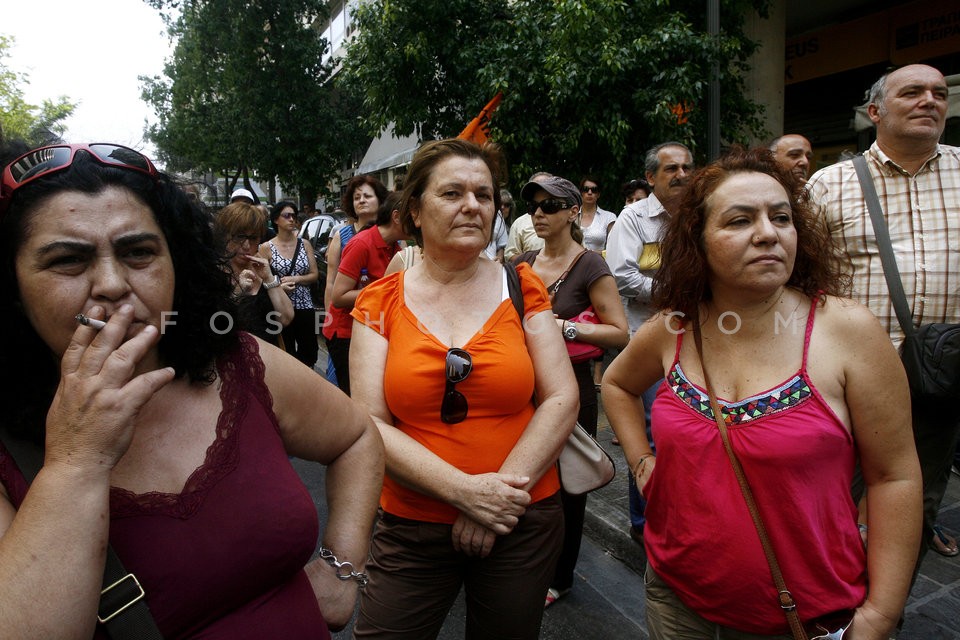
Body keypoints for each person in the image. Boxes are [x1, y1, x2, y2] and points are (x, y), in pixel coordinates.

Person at [0, 141, 384, 638]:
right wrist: (76, 462)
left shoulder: (237, 361)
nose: (113, 284)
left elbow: (357, 438)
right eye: (68, 260)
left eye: (139, 252)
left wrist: (341, 569)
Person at [603, 146, 921, 639]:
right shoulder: (675, 328)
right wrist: (642, 460)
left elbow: (894, 477)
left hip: (801, 613)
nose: (768, 233)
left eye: (781, 217)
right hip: (673, 594)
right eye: (739, 220)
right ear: (698, 241)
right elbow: (619, 385)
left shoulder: (847, 331)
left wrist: (881, 613)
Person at [349, 139, 579, 639]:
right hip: (411, 523)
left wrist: (497, 500)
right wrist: (467, 494)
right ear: (414, 210)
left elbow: (562, 398)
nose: (472, 205)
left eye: (484, 194)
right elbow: (369, 423)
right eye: (452, 193)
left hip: (521, 518)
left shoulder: (523, 288)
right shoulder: (378, 301)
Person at [807, 63, 960, 565]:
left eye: (938, 93)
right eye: (912, 92)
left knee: (915, 504)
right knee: (831, 500)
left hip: (942, 377)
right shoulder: (831, 184)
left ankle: (885, 612)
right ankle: (824, 607)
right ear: (874, 111)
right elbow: (802, 279)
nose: (930, 101)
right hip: (851, 377)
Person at [512, 175, 628, 609]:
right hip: (524, 385)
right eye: (535, 206)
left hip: (573, 386)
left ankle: (560, 577)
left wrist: (564, 326)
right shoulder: (520, 263)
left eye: (550, 205)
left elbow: (620, 334)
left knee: (568, 486)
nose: (539, 213)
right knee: (524, 475)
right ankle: (524, 560)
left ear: (572, 212)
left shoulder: (590, 265)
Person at [605, 141, 694, 541]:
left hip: (699, 338)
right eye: (671, 168)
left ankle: (680, 517)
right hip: (647, 340)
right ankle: (645, 526)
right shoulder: (634, 218)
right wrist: (677, 291)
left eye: (687, 167)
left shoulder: (700, 214)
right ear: (651, 177)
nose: (681, 175)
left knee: (688, 432)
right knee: (651, 434)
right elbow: (622, 275)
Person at [328, 192, 407, 395]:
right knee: (356, 398)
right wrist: (380, 290)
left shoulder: (396, 248)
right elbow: (339, 296)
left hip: (372, 329)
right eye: (415, 214)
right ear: (396, 217)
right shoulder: (361, 244)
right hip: (345, 333)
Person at [322, 175, 387, 386]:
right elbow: (331, 282)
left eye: (368, 196)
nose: (361, 200)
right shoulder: (342, 235)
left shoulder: (390, 236)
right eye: (357, 197)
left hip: (378, 323)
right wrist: (328, 319)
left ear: (380, 200)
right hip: (345, 324)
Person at [213, 201, 293, 346]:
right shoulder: (213, 273)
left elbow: (286, 318)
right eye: (239, 237)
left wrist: (269, 279)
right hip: (230, 359)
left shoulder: (263, 268)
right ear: (224, 236)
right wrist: (238, 294)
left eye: (253, 238)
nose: (246, 246)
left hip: (268, 360)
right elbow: (215, 326)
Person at [261, 201, 320, 369]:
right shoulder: (266, 247)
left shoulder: (304, 244)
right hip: (280, 308)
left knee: (309, 352)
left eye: (294, 215)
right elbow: (261, 278)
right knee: (285, 352)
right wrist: (278, 286)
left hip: (304, 305)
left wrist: (297, 279)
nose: (291, 219)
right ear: (276, 220)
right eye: (286, 215)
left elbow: (314, 275)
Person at [504, 171, 551, 261]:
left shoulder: (563, 219)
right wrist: (533, 262)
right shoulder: (519, 223)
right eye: (536, 188)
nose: (538, 215)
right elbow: (510, 254)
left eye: (545, 187)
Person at [577, 176, 617, 253]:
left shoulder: (609, 217)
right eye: (586, 189)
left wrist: (589, 254)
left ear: (598, 194)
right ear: (581, 193)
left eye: (594, 190)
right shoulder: (571, 216)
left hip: (598, 262)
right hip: (573, 263)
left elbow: (614, 248)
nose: (589, 192)